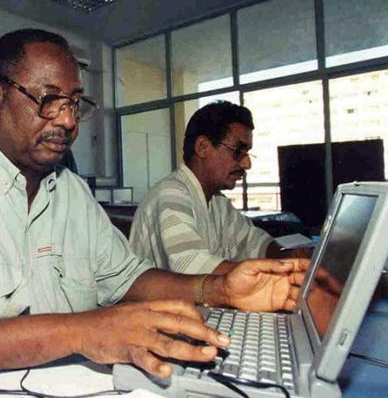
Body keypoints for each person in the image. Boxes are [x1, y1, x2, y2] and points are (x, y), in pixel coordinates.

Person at [0, 29, 307, 384]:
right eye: (48, 99)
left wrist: (219, 289)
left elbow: (130, 279)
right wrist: (87, 329)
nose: (69, 121)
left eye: (74, 103)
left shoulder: (69, 190)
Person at [129, 101, 306, 276]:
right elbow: (191, 266)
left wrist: (290, 257)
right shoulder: (170, 194)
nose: (247, 163)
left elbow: (253, 243)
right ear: (203, 147)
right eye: (238, 151)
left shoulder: (218, 203)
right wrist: (277, 270)